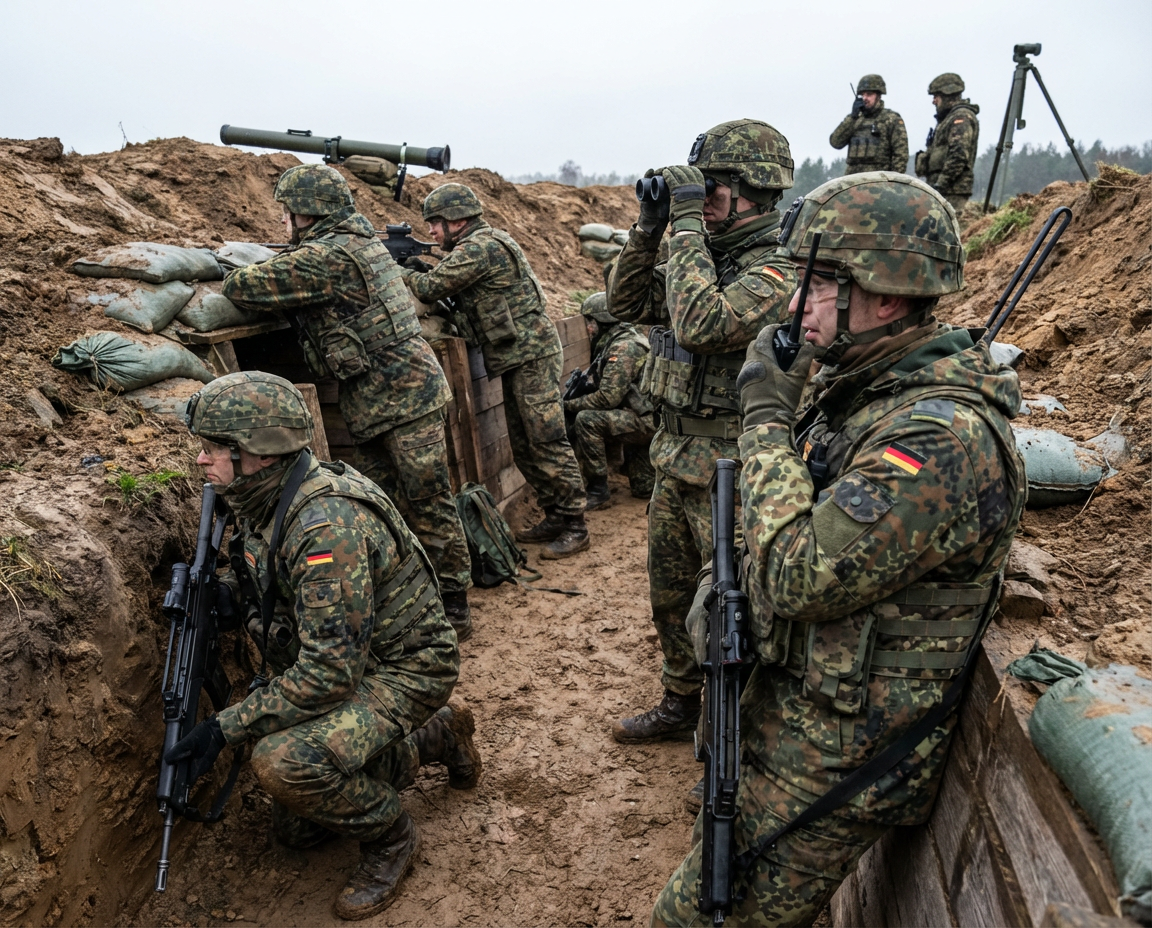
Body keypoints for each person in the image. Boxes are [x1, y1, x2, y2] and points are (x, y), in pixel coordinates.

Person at [652, 173, 1026, 927]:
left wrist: (761, 421)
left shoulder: (936, 436)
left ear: (886, 298)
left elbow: (799, 576)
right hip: (798, 710)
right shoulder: (862, 387)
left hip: (842, 754)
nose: (795, 305)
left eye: (820, 283)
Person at [165, 371, 483, 921]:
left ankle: (391, 836)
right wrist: (234, 597)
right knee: (296, 831)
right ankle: (435, 737)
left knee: (285, 765)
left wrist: (225, 726)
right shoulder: (267, 496)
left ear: (259, 454)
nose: (202, 461)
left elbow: (328, 676)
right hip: (355, 660)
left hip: (405, 669)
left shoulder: (325, 526)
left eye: (216, 448)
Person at [221, 164, 475, 640]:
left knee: (428, 501)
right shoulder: (355, 241)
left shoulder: (328, 256)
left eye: (289, 212)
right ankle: (406, 596)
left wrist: (235, 265)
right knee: (385, 505)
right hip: (380, 398)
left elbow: (243, 287)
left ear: (308, 213)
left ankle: (455, 602)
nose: (283, 220)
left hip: (405, 397)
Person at [607, 120, 798, 743]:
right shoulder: (698, 256)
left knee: (731, 608)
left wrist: (686, 226)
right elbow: (626, 304)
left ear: (753, 192)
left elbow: (702, 324)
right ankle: (681, 700)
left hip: (735, 468)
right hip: (675, 456)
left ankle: (731, 733)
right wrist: (650, 227)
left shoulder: (779, 268)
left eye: (712, 189)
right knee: (669, 598)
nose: (704, 200)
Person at [400, 183, 589, 559]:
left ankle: (575, 524)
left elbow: (431, 286)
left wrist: (405, 271)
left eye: (436, 223)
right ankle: (556, 513)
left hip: (531, 355)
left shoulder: (481, 246)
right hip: (519, 356)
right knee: (524, 443)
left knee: (545, 439)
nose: (433, 233)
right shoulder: (479, 245)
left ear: (458, 220)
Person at [564, 291, 656, 509]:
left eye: (590, 322)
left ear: (603, 322)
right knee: (644, 489)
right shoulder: (624, 339)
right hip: (646, 416)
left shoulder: (623, 348)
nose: (588, 328)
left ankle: (598, 491)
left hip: (648, 421)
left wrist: (568, 405)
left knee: (587, 419)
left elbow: (607, 398)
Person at [914, 73, 981, 212]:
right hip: (943, 191)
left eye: (936, 97)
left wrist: (940, 185)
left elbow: (958, 155)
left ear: (947, 95)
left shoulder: (960, 117)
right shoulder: (946, 120)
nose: (934, 101)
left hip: (952, 191)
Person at [829, 74, 909, 174]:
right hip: (854, 182)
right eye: (862, 95)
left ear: (879, 96)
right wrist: (853, 118)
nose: (865, 98)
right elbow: (836, 142)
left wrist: (893, 183)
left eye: (869, 94)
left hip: (879, 182)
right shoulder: (854, 120)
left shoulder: (891, 119)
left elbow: (900, 156)